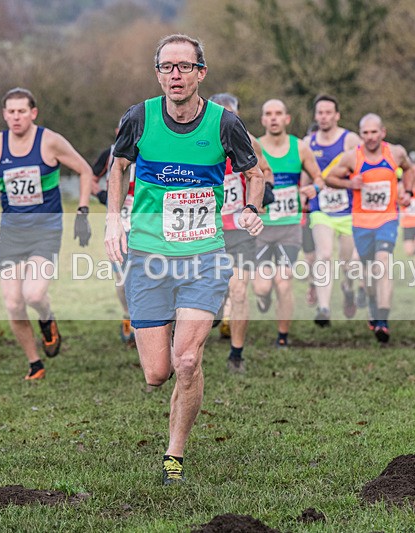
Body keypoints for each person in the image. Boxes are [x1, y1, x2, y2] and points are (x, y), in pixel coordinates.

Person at [103, 34, 264, 485]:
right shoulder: (140, 117)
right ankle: (173, 341)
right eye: (167, 67)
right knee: (157, 373)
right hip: (150, 256)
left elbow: (254, 173)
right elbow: (117, 166)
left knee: (187, 362)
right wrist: (114, 220)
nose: (176, 74)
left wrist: (251, 208)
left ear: (200, 73)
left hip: (203, 256)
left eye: (185, 66)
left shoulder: (224, 124)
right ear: (158, 74)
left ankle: (174, 453)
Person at [0, 87, 95, 380]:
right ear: (4, 115)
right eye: (10, 112)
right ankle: (35, 363)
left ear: (33, 113)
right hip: (11, 232)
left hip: (45, 230)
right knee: (13, 303)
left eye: (22, 111)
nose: (16, 117)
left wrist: (83, 211)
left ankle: (47, 321)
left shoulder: (50, 142)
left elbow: (85, 170)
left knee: (34, 294)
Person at [324, 113, 414, 344]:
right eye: (365, 133)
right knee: (368, 276)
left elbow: (410, 170)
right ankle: (374, 305)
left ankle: (382, 320)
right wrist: (348, 183)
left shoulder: (395, 153)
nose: (370, 137)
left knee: (383, 262)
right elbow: (329, 178)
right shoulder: (352, 157)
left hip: (387, 219)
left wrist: (408, 191)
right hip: (361, 223)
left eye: (374, 132)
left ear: (382, 132)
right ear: (360, 134)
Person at [208, 92, 274, 374]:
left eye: (231, 115)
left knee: (239, 290)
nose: (226, 121)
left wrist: (262, 195)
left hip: (241, 229)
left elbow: (265, 171)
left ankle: (236, 354)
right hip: (207, 229)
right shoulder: (200, 141)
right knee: (210, 291)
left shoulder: (249, 141)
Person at [253, 98, 322, 347]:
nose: (273, 118)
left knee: (284, 283)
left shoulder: (301, 147)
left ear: (287, 118)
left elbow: (319, 178)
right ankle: (263, 298)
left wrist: (313, 188)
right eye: (268, 113)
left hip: (289, 227)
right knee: (261, 287)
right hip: (260, 228)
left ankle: (282, 337)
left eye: (278, 113)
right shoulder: (255, 147)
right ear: (263, 120)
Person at [303, 95, 361, 326]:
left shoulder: (350, 140)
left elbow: (361, 169)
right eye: (320, 113)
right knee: (324, 254)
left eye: (329, 112)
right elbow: (305, 176)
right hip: (321, 210)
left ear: (337, 115)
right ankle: (324, 308)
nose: (324, 117)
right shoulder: (308, 142)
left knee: (348, 264)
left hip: (347, 210)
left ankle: (348, 288)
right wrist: (304, 192)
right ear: (315, 116)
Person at [93, 123, 137, 344]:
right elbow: (90, 181)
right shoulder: (109, 154)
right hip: (119, 226)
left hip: (148, 226)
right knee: (122, 279)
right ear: (117, 132)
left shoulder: (153, 152)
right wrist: (104, 197)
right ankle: (128, 316)